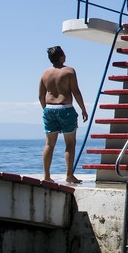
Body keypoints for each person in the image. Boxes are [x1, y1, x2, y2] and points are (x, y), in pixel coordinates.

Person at [39, 46, 88, 184]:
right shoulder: (69, 71)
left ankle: (47, 176)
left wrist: (46, 110)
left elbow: (40, 95)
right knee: (70, 143)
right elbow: (76, 91)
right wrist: (83, 109)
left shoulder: (45, 74)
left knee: (49, 144)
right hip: (65, 108)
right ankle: (69, 175)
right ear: (61, 57)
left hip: (49, 109)